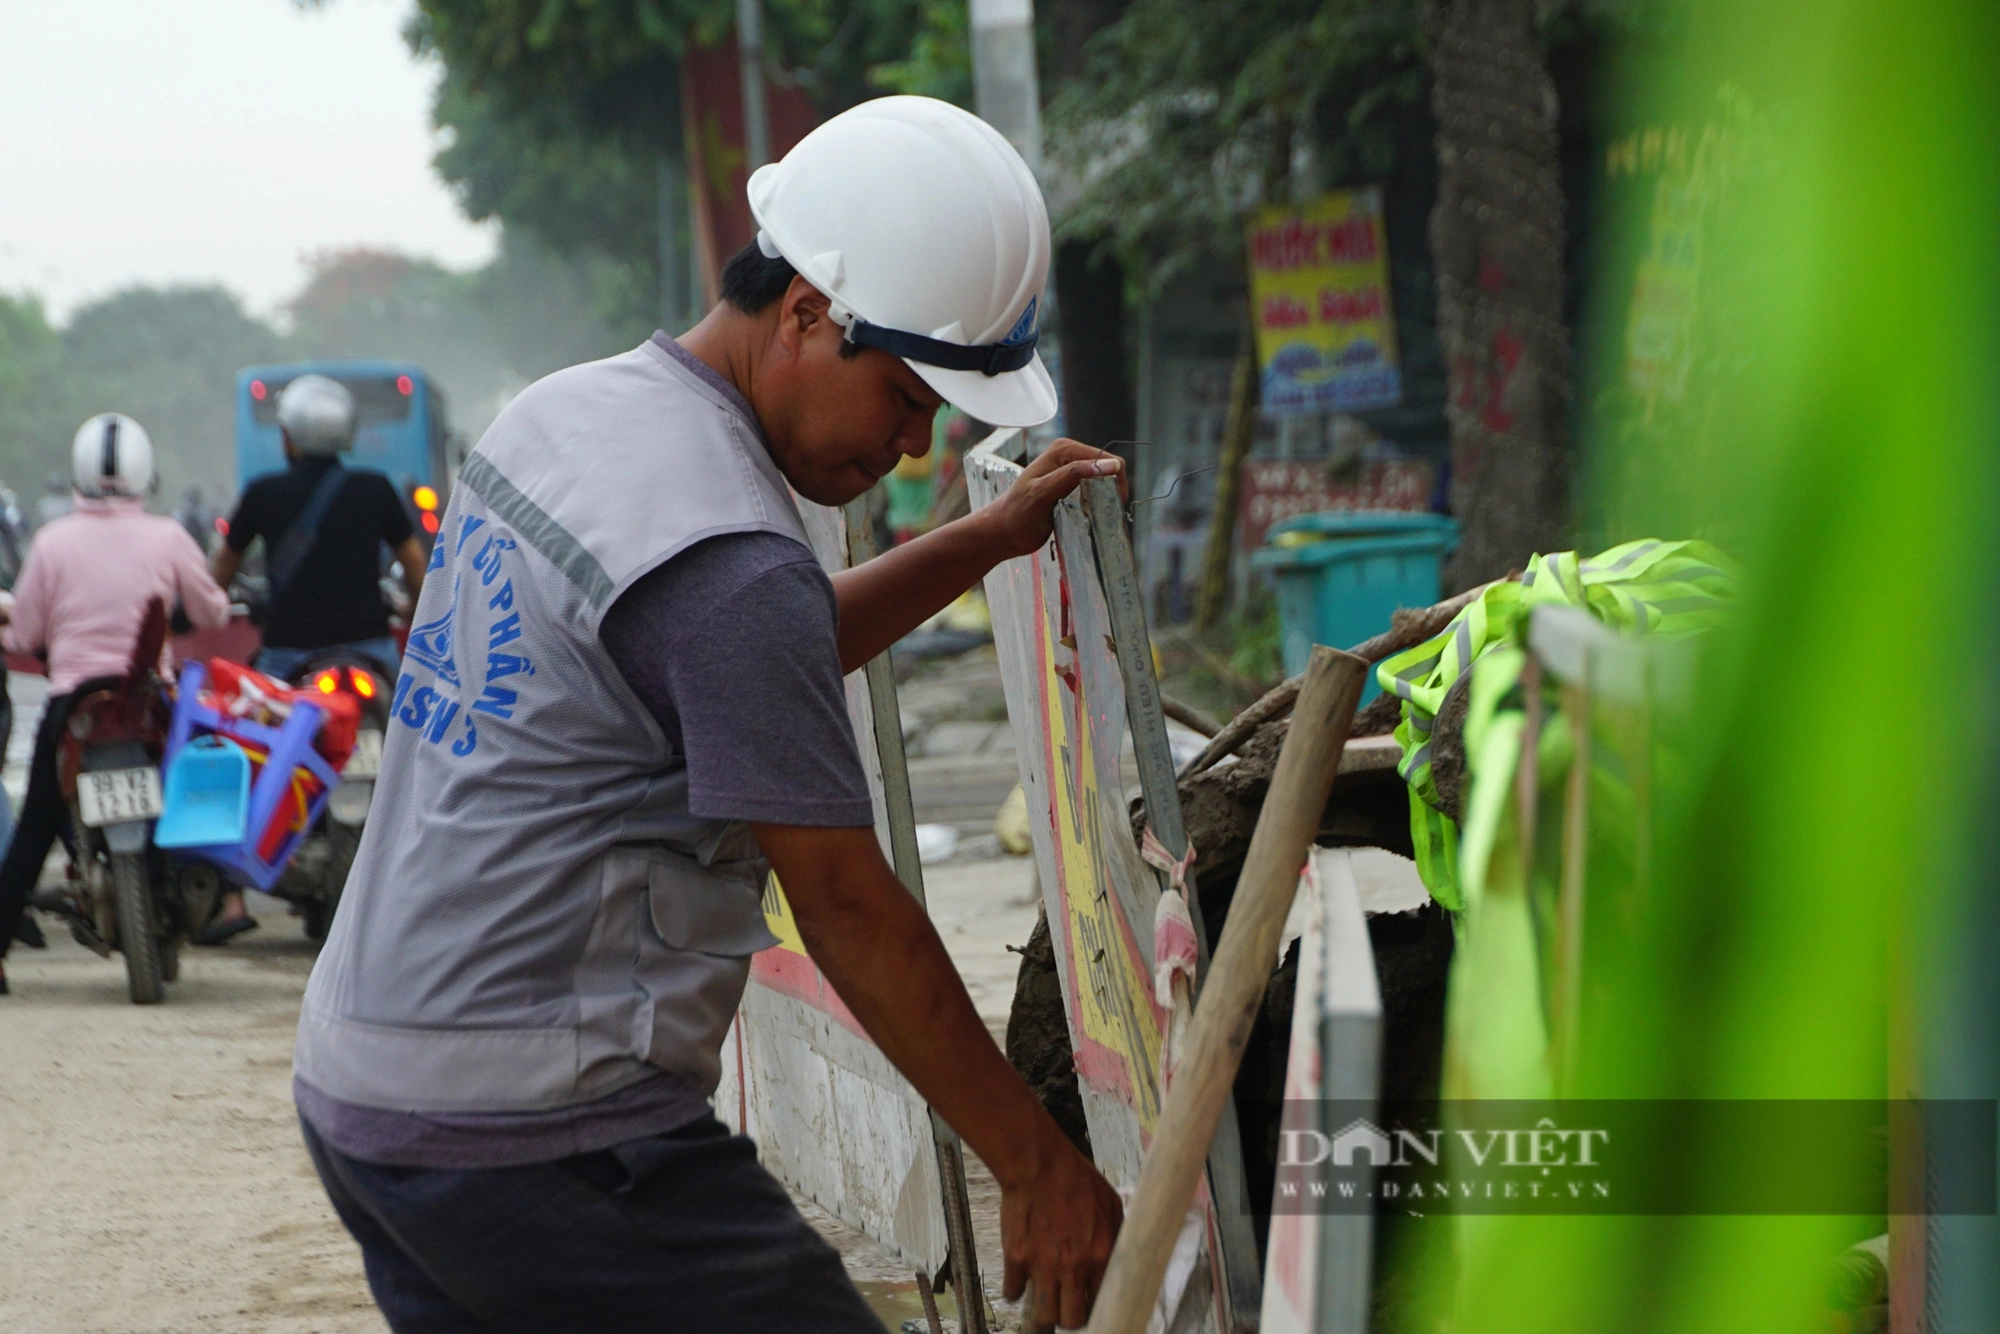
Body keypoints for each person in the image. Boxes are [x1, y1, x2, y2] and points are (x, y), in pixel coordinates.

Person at [293, 96, 1126, 1333]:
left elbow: (745, 665)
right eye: (904, 398)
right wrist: (1035, 1161)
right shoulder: (728, 560)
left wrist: (982, 542)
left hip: (371, 1087)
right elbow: (846, 904)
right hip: (538, 1130)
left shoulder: (568, 419)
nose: (912, 447)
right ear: (804, 313)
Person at [0, 414, 230, 996]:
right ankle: (214, 906)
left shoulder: (52, 543)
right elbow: (212, 614)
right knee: (188, 798)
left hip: (73, 706)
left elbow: (25, 637)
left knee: (35, 829)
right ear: (143, 473)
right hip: (149, 703)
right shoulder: (169, 536)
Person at [203, 374, 428, 944]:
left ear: (289, 439)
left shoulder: (261, 493)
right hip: (369, 650)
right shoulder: (376, 489)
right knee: (420, 754)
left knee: (241, 750)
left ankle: (230, 898)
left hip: (289, 656)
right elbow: (420, 568)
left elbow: (219, 576)